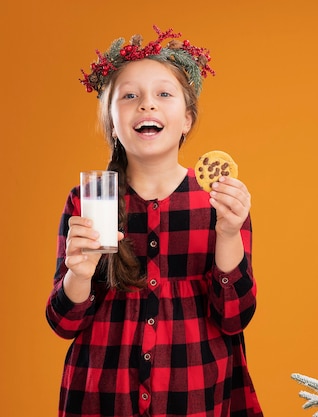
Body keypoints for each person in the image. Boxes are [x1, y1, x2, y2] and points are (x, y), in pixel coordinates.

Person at [45, 26, 263, 417]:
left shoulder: (221, 199)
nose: (147, 105)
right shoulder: (90, 200)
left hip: (197, 393)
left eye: (163, 94)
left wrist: (228, 233)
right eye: (129, 96)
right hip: (102, 397)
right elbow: (63, 323)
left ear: (187, 120)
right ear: (112, 122)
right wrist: (78, 276)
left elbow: (235, 319)